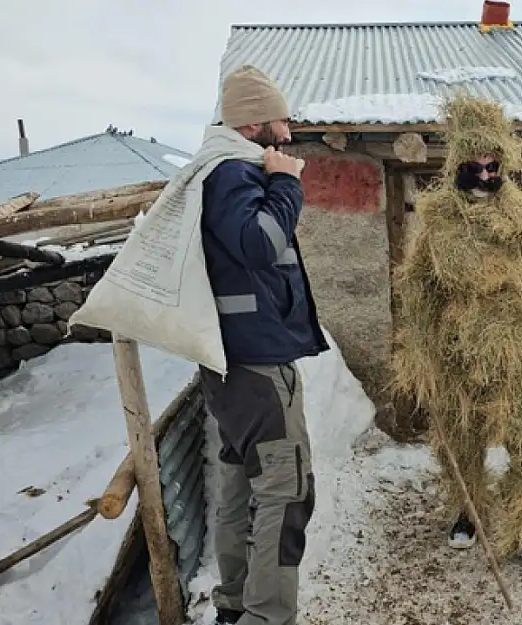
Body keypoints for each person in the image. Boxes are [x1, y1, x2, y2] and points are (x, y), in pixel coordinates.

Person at [389, 93, 522, 571]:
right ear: (457, 163)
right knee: (460, 438)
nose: (486, 173)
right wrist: (418, 351)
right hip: (454, 351)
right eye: (475, 163)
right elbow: (420, 293)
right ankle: (467, 511)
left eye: (494, 164)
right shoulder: (437, 224)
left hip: (513, 349)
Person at [199, 65, 329, 625]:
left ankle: (233, 604)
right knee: (285, 490)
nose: (289, 130)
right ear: (253, 122)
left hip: (233, 363)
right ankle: (266, 617)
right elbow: (258, 244)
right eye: (280, 118)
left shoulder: (223, 170)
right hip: (255, 365)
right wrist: (287, 184)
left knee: (239, 481)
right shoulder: (234, 173)